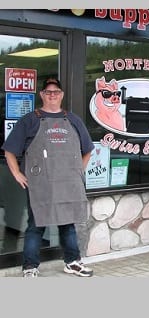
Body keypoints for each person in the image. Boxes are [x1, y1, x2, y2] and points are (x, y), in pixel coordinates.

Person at [1, 77, 95, 277]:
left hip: (67, 184)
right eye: (48, 92)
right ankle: (30, 266)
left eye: (56, 91)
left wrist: (79, 172)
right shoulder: (30, 120)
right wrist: (17, 173)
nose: (52, 95)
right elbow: (9, 150)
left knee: (67, 224)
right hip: (40, 185)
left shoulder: (73, 120)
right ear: (42, 95)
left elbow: (88, 149)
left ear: (61, 95)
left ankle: (72, 262)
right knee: (36, 225)